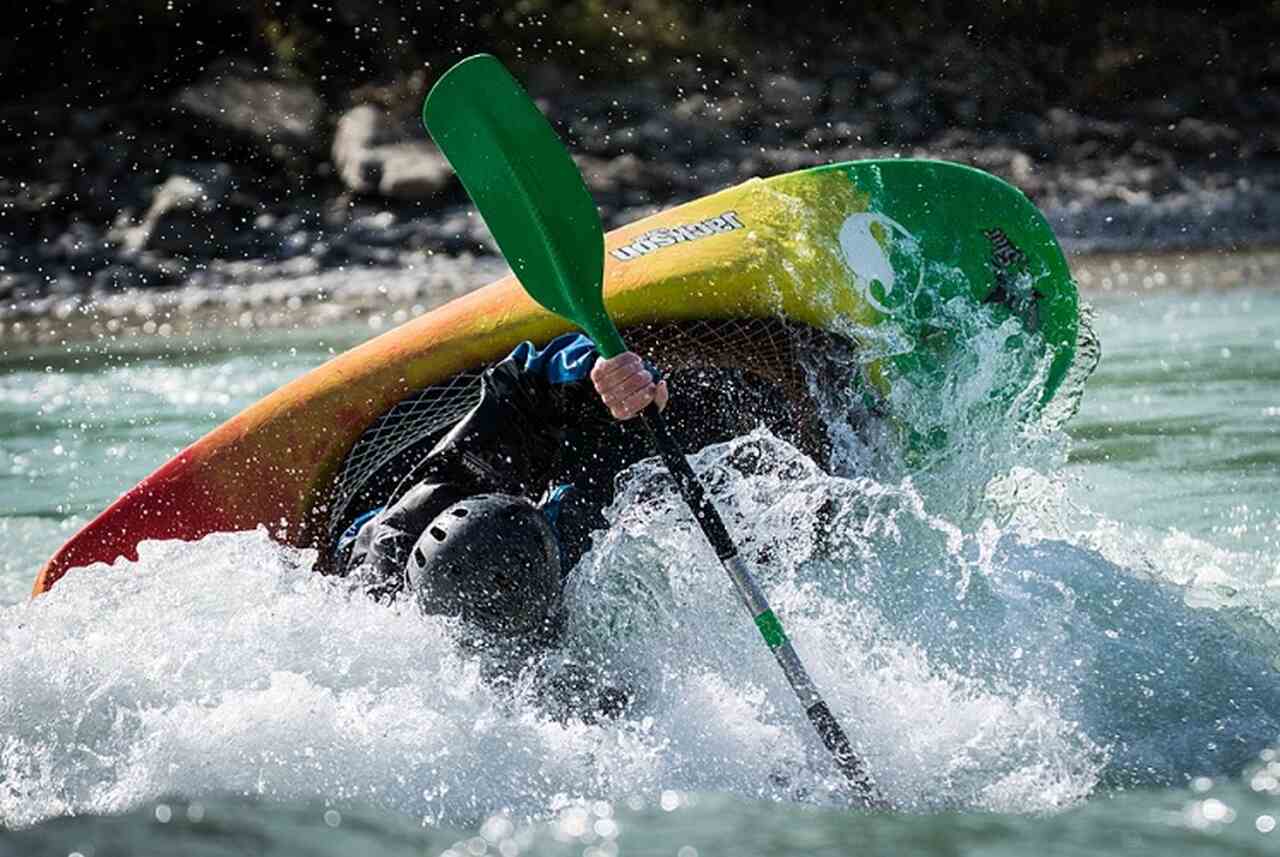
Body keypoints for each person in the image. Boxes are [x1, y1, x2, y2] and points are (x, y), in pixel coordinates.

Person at [334, 333, 670, 660]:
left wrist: (605, 377)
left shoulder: (468, 473)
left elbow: (524, 380)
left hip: (399, 474)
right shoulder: (395, 639)